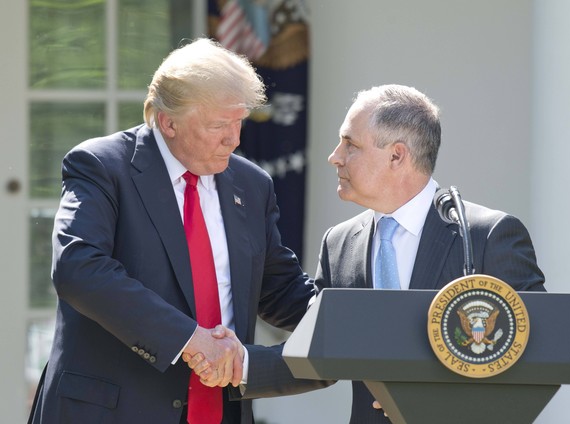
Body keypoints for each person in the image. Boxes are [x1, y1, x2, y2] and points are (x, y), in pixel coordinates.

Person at [200, 83, 546, 423]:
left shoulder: (487, 236)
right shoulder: (340, 243)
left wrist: (450, 405)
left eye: (350, 145)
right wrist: (241, 364)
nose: (334, 157)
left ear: (397, 155)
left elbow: (543, 352)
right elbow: (328, 349)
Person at [27, 38, 324, 424]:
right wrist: (189, 339)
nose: (234, 140)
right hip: (112, 411)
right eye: (219, 125)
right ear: (168, 122)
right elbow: (78, 267)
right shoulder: (102, 166)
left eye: (239, 122)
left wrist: (354, 318)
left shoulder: (252, 185)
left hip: (220, 412)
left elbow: (281, 290)